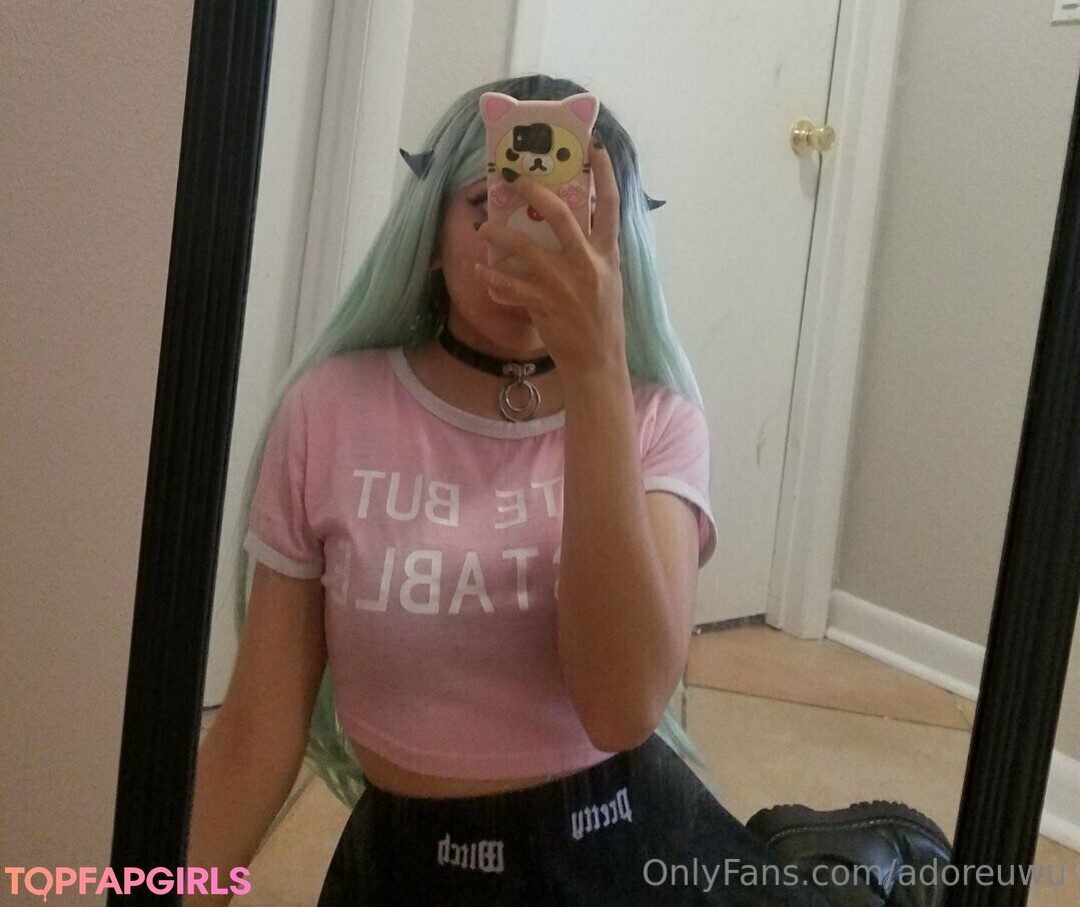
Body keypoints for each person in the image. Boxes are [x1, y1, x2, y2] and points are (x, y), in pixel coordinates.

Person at [186, 75, 951, 905]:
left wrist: (594, 373)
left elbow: (621, 708)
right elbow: (254, 735)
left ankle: (854, 868)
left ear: (619, 246)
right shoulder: (328, 411)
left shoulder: (657, 422)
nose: (534, 240)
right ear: (431, 233)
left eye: (574, 214)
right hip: (402, 868)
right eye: (493, 203)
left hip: (626, 849)